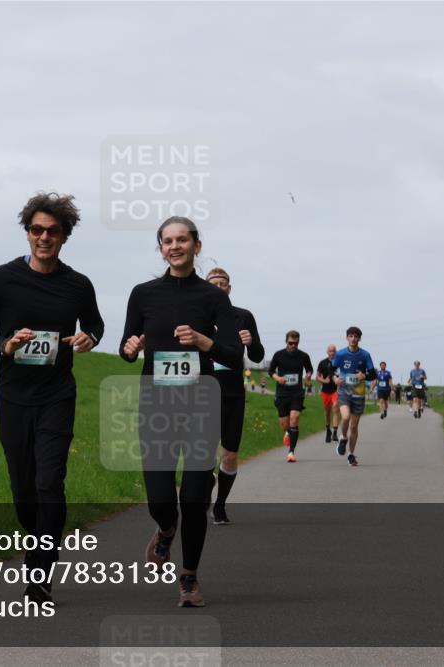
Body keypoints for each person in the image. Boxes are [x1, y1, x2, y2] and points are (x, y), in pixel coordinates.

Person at [0, 192, 104, 604]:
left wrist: (88, 338)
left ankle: (40, 570)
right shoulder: (3, 278)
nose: (44, 237)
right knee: (23, 486)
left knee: (49, 480)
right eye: (36, 230)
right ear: (27, 233)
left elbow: (95, 324)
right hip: (12, 397)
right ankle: (37, 543)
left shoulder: (78, 284)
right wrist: (4, 344)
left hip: (57, 394)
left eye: (52, 231)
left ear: (65, 236)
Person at [120, 216, 242, 608]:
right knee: (159, 498)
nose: (175, 246)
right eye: (168, 241)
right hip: (156, 403)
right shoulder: (143, 294)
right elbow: (127, 343)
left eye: (182, 240)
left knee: (193, 497)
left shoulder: (212, 298)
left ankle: (188, 577)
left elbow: (234, 356)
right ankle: (165, 529)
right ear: (161, 248)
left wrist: (206, 341)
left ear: (197, 246)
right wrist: (130, 348)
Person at [206, 267, 265, 526]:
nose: (219, 287)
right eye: (214, 283)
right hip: (204, 390)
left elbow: (258, 356)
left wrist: (251, 342)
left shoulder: (243, 316)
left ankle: (219, 506)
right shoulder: (197, 315)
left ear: (229, 288)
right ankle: (200, 499)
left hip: (233, 392)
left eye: (223, 283)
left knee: (229, 454)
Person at [332, 326, 376, 467]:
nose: (353, 339)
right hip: (344, 391)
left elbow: (373, 374)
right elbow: (330, 368)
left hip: (358, 392)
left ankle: (351, 454)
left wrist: (364, 375)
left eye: (356, 336)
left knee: (355, 426)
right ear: (347, 338)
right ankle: (343, 438)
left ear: (359, 339)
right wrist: (334, 378)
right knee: (345, 417)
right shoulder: (340, 354)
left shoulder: (365, 355)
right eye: (350, 336)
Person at [269, 331, 314, 462]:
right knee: (284, 424)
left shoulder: (304, 356)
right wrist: (278, 378)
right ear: (286, 342)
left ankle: (291, 452)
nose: (293, 345)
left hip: (297, 392)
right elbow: (270, 371)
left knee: (295, 418)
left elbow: (309, 369)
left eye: (295, 343)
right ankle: (288, 431)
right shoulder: (278, 355)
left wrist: (308, 375)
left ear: (298, 342)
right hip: (282, 393)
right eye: (290, 343)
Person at [315, 344, 341, 443]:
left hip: (336, 390)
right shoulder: (322, 363)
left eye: (334, 351)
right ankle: (328, 431)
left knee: (335, 408)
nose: (332, 353)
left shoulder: (339, 363)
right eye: (330, 351)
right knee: (327, 412)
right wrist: (324, 381)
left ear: (336, 352)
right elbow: (317, 377)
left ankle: (334, 432)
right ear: (327, 352)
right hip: (325, 391)